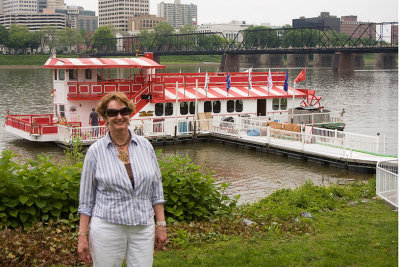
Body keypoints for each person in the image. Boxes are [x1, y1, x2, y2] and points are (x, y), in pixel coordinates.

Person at [77, 92, 167, 267]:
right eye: (112, 113)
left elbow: (157, 190)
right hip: (107, 227)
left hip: (143, 226)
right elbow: (86, 201)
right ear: (105, 117)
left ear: (129, 114)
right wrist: (82, 236)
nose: (119, 116)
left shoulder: (145, 146)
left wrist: (161, 224)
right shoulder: (95, 152)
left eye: (124, 111)